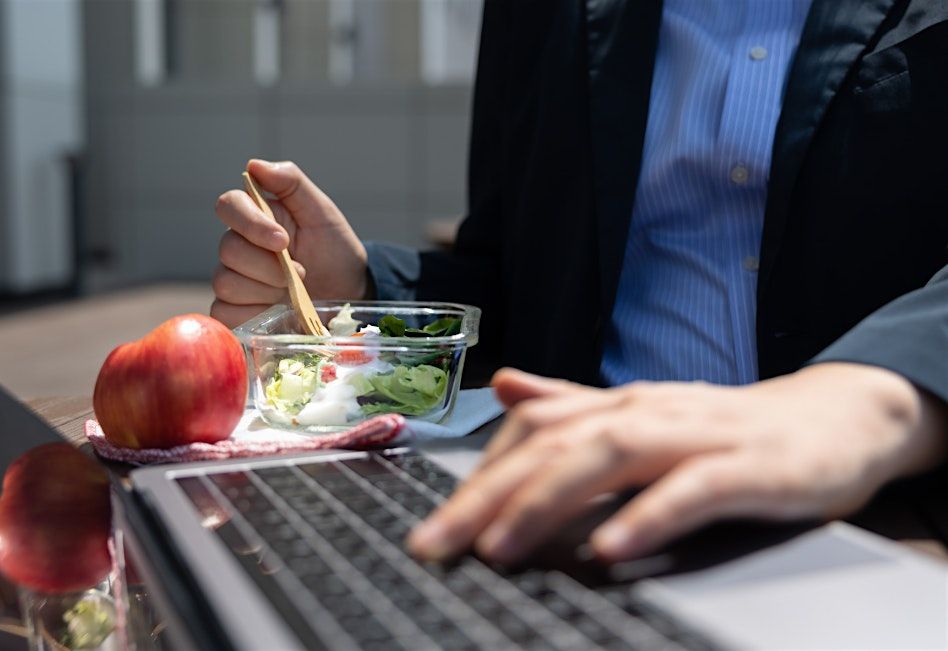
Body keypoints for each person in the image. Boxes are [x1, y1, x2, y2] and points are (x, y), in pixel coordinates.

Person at [211, 0, 948, 564]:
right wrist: (365, 287)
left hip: (890, 517)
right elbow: (520, 276)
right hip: (569, 507)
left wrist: (875, 395)